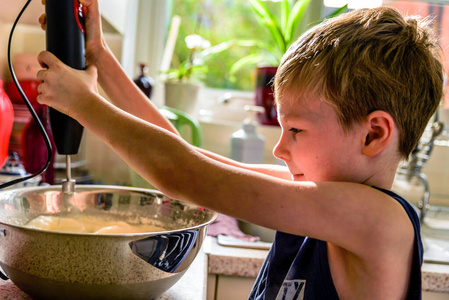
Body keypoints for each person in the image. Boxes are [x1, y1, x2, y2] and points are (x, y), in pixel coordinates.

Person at [37, 1, 443, 299]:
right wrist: (101, 61)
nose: (281, 149)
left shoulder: (378, 221)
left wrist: (83, 104)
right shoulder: (323, 196)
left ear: (373, 135)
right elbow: (188, 160)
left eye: (297, 130)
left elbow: (186, 174)